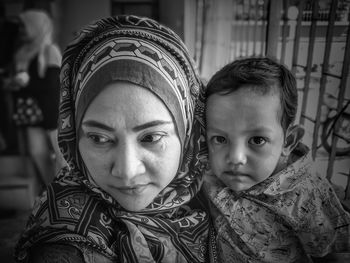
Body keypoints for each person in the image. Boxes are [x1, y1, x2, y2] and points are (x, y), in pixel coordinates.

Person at [15, 15, 211, 263]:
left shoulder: (230, 195)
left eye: (151, 137)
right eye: (99, 138)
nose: (126, 171)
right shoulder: (63, 242)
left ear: (189, 132)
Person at [203, 57, 350, 262]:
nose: (235, 158)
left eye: (257, 140)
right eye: (220, 139)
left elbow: (336, 255)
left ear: (288, 141)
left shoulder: (307, 196)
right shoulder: (206, 168)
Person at [5, 9, 64, 183]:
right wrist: (14, 84)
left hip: (50, 113)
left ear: (36, 27)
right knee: (37, 155)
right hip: (29, 113)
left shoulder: (49, 51)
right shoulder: (22, 51)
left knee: (62, 158)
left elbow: (52, 85)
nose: (22, 30)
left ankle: (67, 194)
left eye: (25, 26)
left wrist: (24, 84)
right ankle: (52, 194)